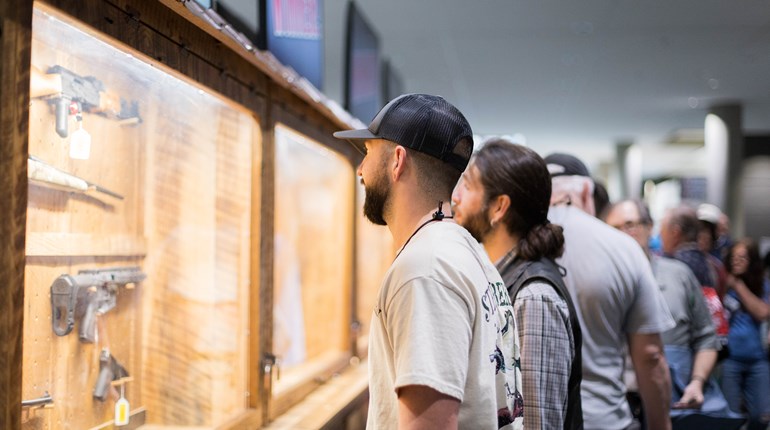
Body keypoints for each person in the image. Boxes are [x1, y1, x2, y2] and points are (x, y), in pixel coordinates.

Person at [334, 94, 523, 429]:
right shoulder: (467, 250)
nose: (361, 170)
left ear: (397, 160)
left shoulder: (425, 270)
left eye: (367, 153)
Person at [451, 139, 582, 429]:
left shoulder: (534, 297)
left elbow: (536, 422)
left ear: (499, 207)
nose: (456, 197)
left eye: (468, 186)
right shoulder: (502, 276)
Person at [543, 153, 675, 430]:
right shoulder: (623, 248)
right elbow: (650, 356)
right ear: (588, 191)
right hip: (605, 419)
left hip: (537, 418)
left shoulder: (508, 245)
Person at [604, 200, 744, 429]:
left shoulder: (678, 274)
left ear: (650, 227)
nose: (622, 234)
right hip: (616, 405)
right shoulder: (597, 281)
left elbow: (707, 336)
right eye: (613, 228)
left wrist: (697, 382)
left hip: (678, 402)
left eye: (630, 225)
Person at [660, 206, 730, 354]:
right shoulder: (713, 265)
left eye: (663, 230)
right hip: (709, 346)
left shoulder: (669, 265)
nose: (660, 235)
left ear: (675, 232)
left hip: (682, 350)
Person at [722, 238, 770, 430]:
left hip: (758, 359)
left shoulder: (762, 285)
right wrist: (729, 284)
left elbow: (762, 312)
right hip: (729, 360)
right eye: (734, 257)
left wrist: (738, 286)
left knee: (761, 415)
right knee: (730, 417)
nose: (737, 261)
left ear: (752, 260)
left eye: (742, 257)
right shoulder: (722, 283)